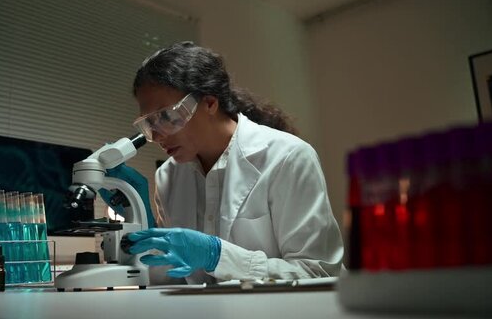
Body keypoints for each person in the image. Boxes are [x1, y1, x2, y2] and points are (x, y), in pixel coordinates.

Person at [126, 41, 343, 284]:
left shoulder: (288, 157)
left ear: (209, 103)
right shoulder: (167, 176)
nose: (156, 137)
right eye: (149, 124)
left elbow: (317, 272)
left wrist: (218, 256)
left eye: (166, 116)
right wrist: (136, 219)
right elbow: (176, 276)